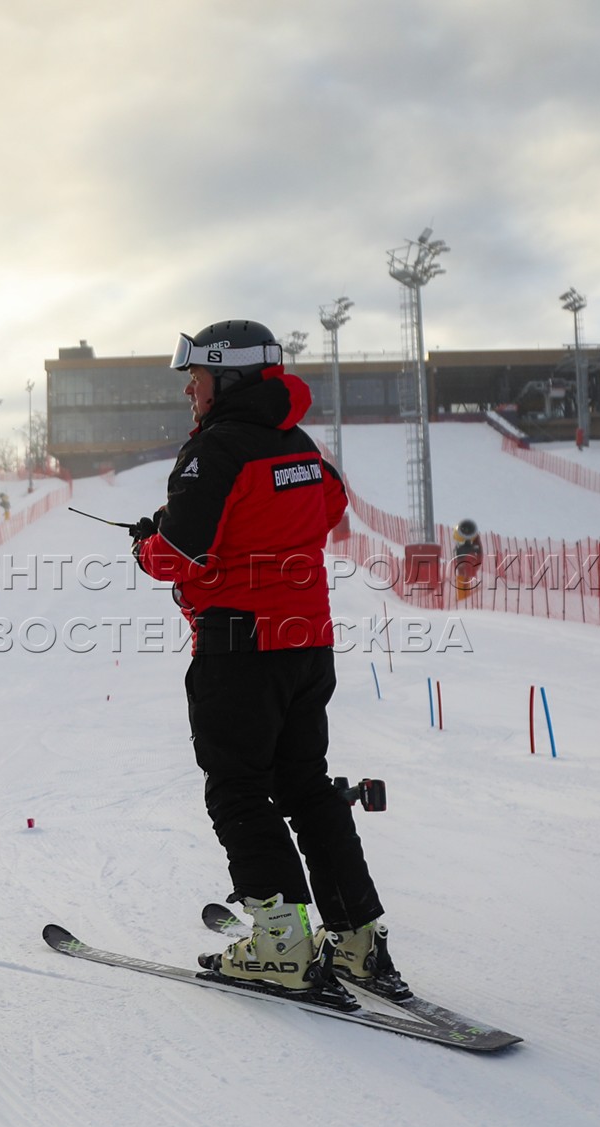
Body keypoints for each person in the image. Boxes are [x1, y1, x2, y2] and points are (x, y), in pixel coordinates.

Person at [132, 320, 411, 1006]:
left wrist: (149, 542)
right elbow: (331, 509)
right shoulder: (299, 444)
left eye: (196, 378)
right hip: (306, 643)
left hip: (240, 646)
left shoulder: (215, 449)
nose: (190, 392)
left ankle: (282, 946)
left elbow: (179, 554)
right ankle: (357, 940)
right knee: (306, 786)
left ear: (227, 377)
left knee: (238, 789)